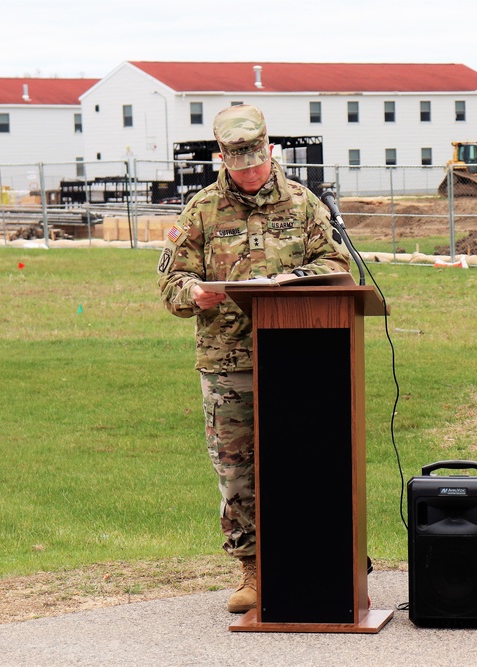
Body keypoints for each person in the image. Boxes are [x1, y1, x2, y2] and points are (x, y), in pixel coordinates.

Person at [157, 104, 351, 613]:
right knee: (237, 471)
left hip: (303, 355)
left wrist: (290, 282)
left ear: (270, 150)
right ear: (222, 157)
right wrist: (194, 293)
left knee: (309, 460)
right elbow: (170, 283)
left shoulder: (305, 204)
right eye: (238, 165)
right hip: (229, 361)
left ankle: (318, 560)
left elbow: (335, 264)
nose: (249, 174)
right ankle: (252, 570)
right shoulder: (200, 210)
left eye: (256, 162)